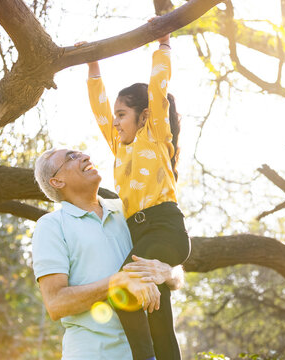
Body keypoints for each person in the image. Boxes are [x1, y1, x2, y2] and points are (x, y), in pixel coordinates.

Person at [85, 25, 190, 360]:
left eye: (122, 115)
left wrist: (163, 44)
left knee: (122, 288)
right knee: (158, 313)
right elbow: (100, 109)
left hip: (164, 228)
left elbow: (158, 88)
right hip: (141, 233)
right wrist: (93, 65)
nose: (115, 122)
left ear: (143, 116)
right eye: (115, 116)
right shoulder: (120, 146)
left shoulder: (155, 136)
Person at [32, 148, 184, 360]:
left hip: (149, 353)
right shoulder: (51, 226)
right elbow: (56, 303)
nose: (85, 156)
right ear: (56, 181)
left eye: (81, 153)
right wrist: (118, 282)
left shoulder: (128, 209)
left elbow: (177, 274)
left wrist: (167, 271)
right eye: (71, 158)